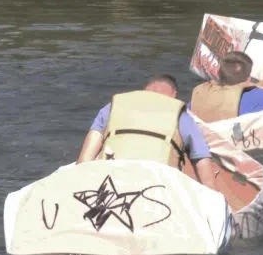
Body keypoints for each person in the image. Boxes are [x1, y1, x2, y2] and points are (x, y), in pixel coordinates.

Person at [75, 73, 216, 190]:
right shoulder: (181, 116)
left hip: (110, 184)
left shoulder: (111, 107)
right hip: (158, 188)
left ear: (143, 92)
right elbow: (202, 162)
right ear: (174, 95)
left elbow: (84, 161)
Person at [190, 51, 263, 122]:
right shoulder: (255, 97)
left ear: (219, 74)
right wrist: (260, 87)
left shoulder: (198, 96)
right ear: (248, 79)